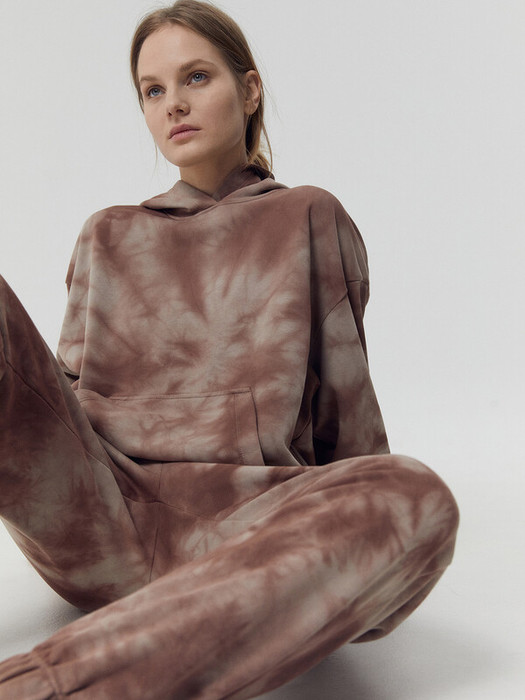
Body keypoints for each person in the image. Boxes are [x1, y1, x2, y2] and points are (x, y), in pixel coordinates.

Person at [0, 1, 459, 697]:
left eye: (195, 78)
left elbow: (348, 423)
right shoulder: (107, 234)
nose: (173, 105)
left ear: (248, 90)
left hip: (250, 533)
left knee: (414, 494)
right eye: (152, 90)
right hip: (99, 515)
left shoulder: (307, 214)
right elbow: (50, 403)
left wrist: (359, 536)